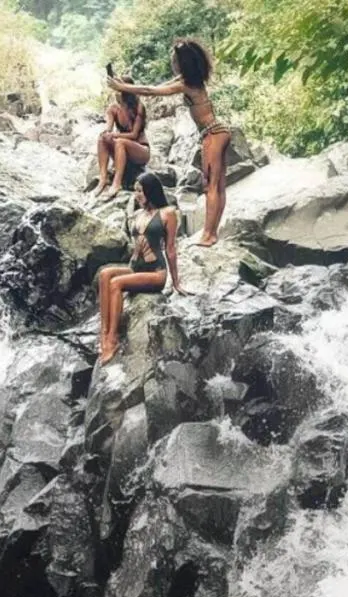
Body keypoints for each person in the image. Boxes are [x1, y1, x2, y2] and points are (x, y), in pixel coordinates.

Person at [108, 38, 232, 247]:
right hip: (220, 132)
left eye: (174, 60)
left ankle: (208, 236)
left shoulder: (186, 84)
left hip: (212, 134)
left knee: (210, 188)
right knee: (218, 187)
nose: (172, 63)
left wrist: (120, 86)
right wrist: (125, 86)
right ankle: (212, 233)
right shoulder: (190, 80)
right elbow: (155, 87)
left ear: (182, 63)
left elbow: (150, 91)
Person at [96, 172, 185, 364]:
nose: (136, 195)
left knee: (116, 284)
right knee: (104, 274)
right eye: (135, 191)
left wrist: (175, 282)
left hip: (155, 273)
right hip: (136, 268)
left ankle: (113, 339)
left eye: (140, 191)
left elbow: (170, 250)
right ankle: (103, 334)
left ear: (150, 191)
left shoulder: (168, 213)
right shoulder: (138, 214)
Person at [93, 79, 149, 200]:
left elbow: (134, 135)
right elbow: (108, 129)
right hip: (122, 148)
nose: (116, 93)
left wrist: (115, 135)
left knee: (119, 141)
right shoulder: (113, 109)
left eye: (118, 90)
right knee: (102, 138)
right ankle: (103, 179)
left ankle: (116, 183)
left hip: (141, 150)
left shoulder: (138, 107)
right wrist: (107, 133)